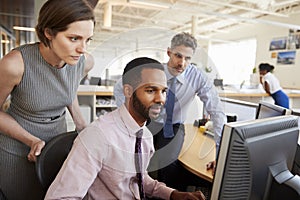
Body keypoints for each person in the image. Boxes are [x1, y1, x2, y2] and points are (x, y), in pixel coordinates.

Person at [45, 57, 206, 200]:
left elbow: (139, 179)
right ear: (128, 91)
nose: (160, 99)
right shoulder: (99, 136)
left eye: (163, 91)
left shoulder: (145, 135)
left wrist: (173, 194)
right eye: (150, 91)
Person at [0, 0, 95, 199]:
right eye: (74, 38)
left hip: (55, 145)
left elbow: (67, 91)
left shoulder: (84, 63)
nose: (82, 49)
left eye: (88, 40)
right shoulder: (14, 64)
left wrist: (82, 127)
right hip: (19, 148)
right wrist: (31, 141)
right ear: (48, 33)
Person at [113, 32, 226, 191]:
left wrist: (221, 155)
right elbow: (119, 88)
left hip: (174, 125)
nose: (182, 63)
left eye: (187, 58)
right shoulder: (152, 71)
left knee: (169, 165)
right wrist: (129, 116)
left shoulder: (197, 77)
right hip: (147, 122)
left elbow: (217, 112)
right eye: (178, 56)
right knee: (141, 161)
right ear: (168, 52)